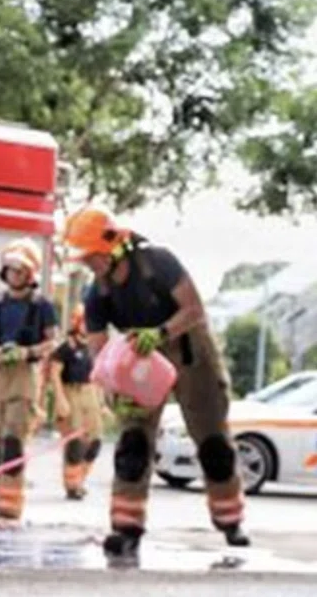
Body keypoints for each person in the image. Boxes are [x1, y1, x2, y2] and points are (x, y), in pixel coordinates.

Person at [62, 205, 249, 556]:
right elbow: (98, 354)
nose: (90, 265)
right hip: (139, 356)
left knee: (212, 441)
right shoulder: (96, 296)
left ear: (114, 247)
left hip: (188, 345)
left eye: (93, 257)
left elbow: (193, 308)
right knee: (133, 443)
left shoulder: (158, 263)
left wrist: (160, 332)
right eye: (85, 259)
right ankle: (126, 527)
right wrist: (118, 393)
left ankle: (230, 520)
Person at [0, 238, 60, 521]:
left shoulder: (42, 306)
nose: (13, 274)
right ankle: (1, 502)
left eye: (19, 269)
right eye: (10, 269)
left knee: (13, 441)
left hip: (25, 375)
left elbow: (52, 341)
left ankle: (10, 510)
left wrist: (28, 352)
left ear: (30, 273)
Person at [51, 308, 104, 499]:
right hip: (71, 392)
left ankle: (81, 479)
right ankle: (72, 486)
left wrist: (102, 403)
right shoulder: (66, 348)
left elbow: (98, 377)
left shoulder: (92, 347)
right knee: (75, 443)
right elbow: (54, 374)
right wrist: (60, 399)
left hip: (90, 393)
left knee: (95, 441)